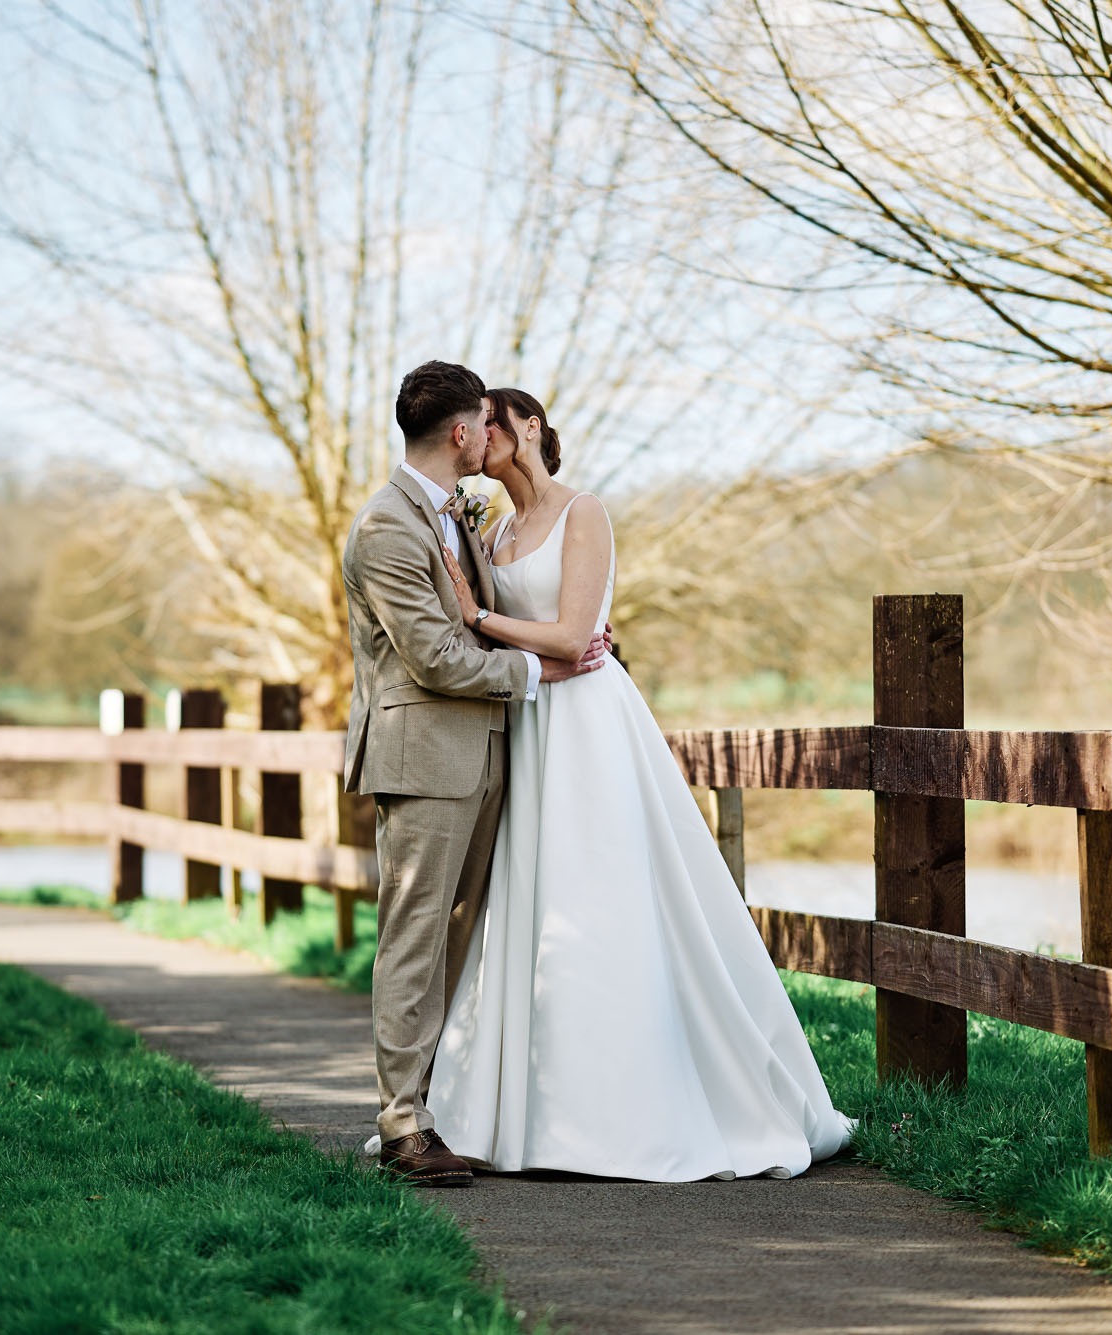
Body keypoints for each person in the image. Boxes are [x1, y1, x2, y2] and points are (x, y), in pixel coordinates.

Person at [425, 386, 856, 1181]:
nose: (477, 433)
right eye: (472, 421)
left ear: (528, 428)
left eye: (491, 418)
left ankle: (625, 1112)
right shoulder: (490, 526)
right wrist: (474, 613)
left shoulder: (583, 512)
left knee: (603, 897)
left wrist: (479, 618)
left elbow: (574, 634)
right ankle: (524, 1114)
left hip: (587, 723)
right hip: (528, 725)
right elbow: (475, 630)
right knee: (531, 907)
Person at [339, 360, 609, 1187]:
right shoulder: (387, 527)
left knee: (462, 936)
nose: (489, 434)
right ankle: (402, 1127)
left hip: (487, 753)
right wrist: (544, 674)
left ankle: (437, 1103)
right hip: (426, 757)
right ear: (461, 431)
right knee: (413, 937)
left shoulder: (459, 516)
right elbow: (436, 656)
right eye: (483, 421)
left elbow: (497, 624)